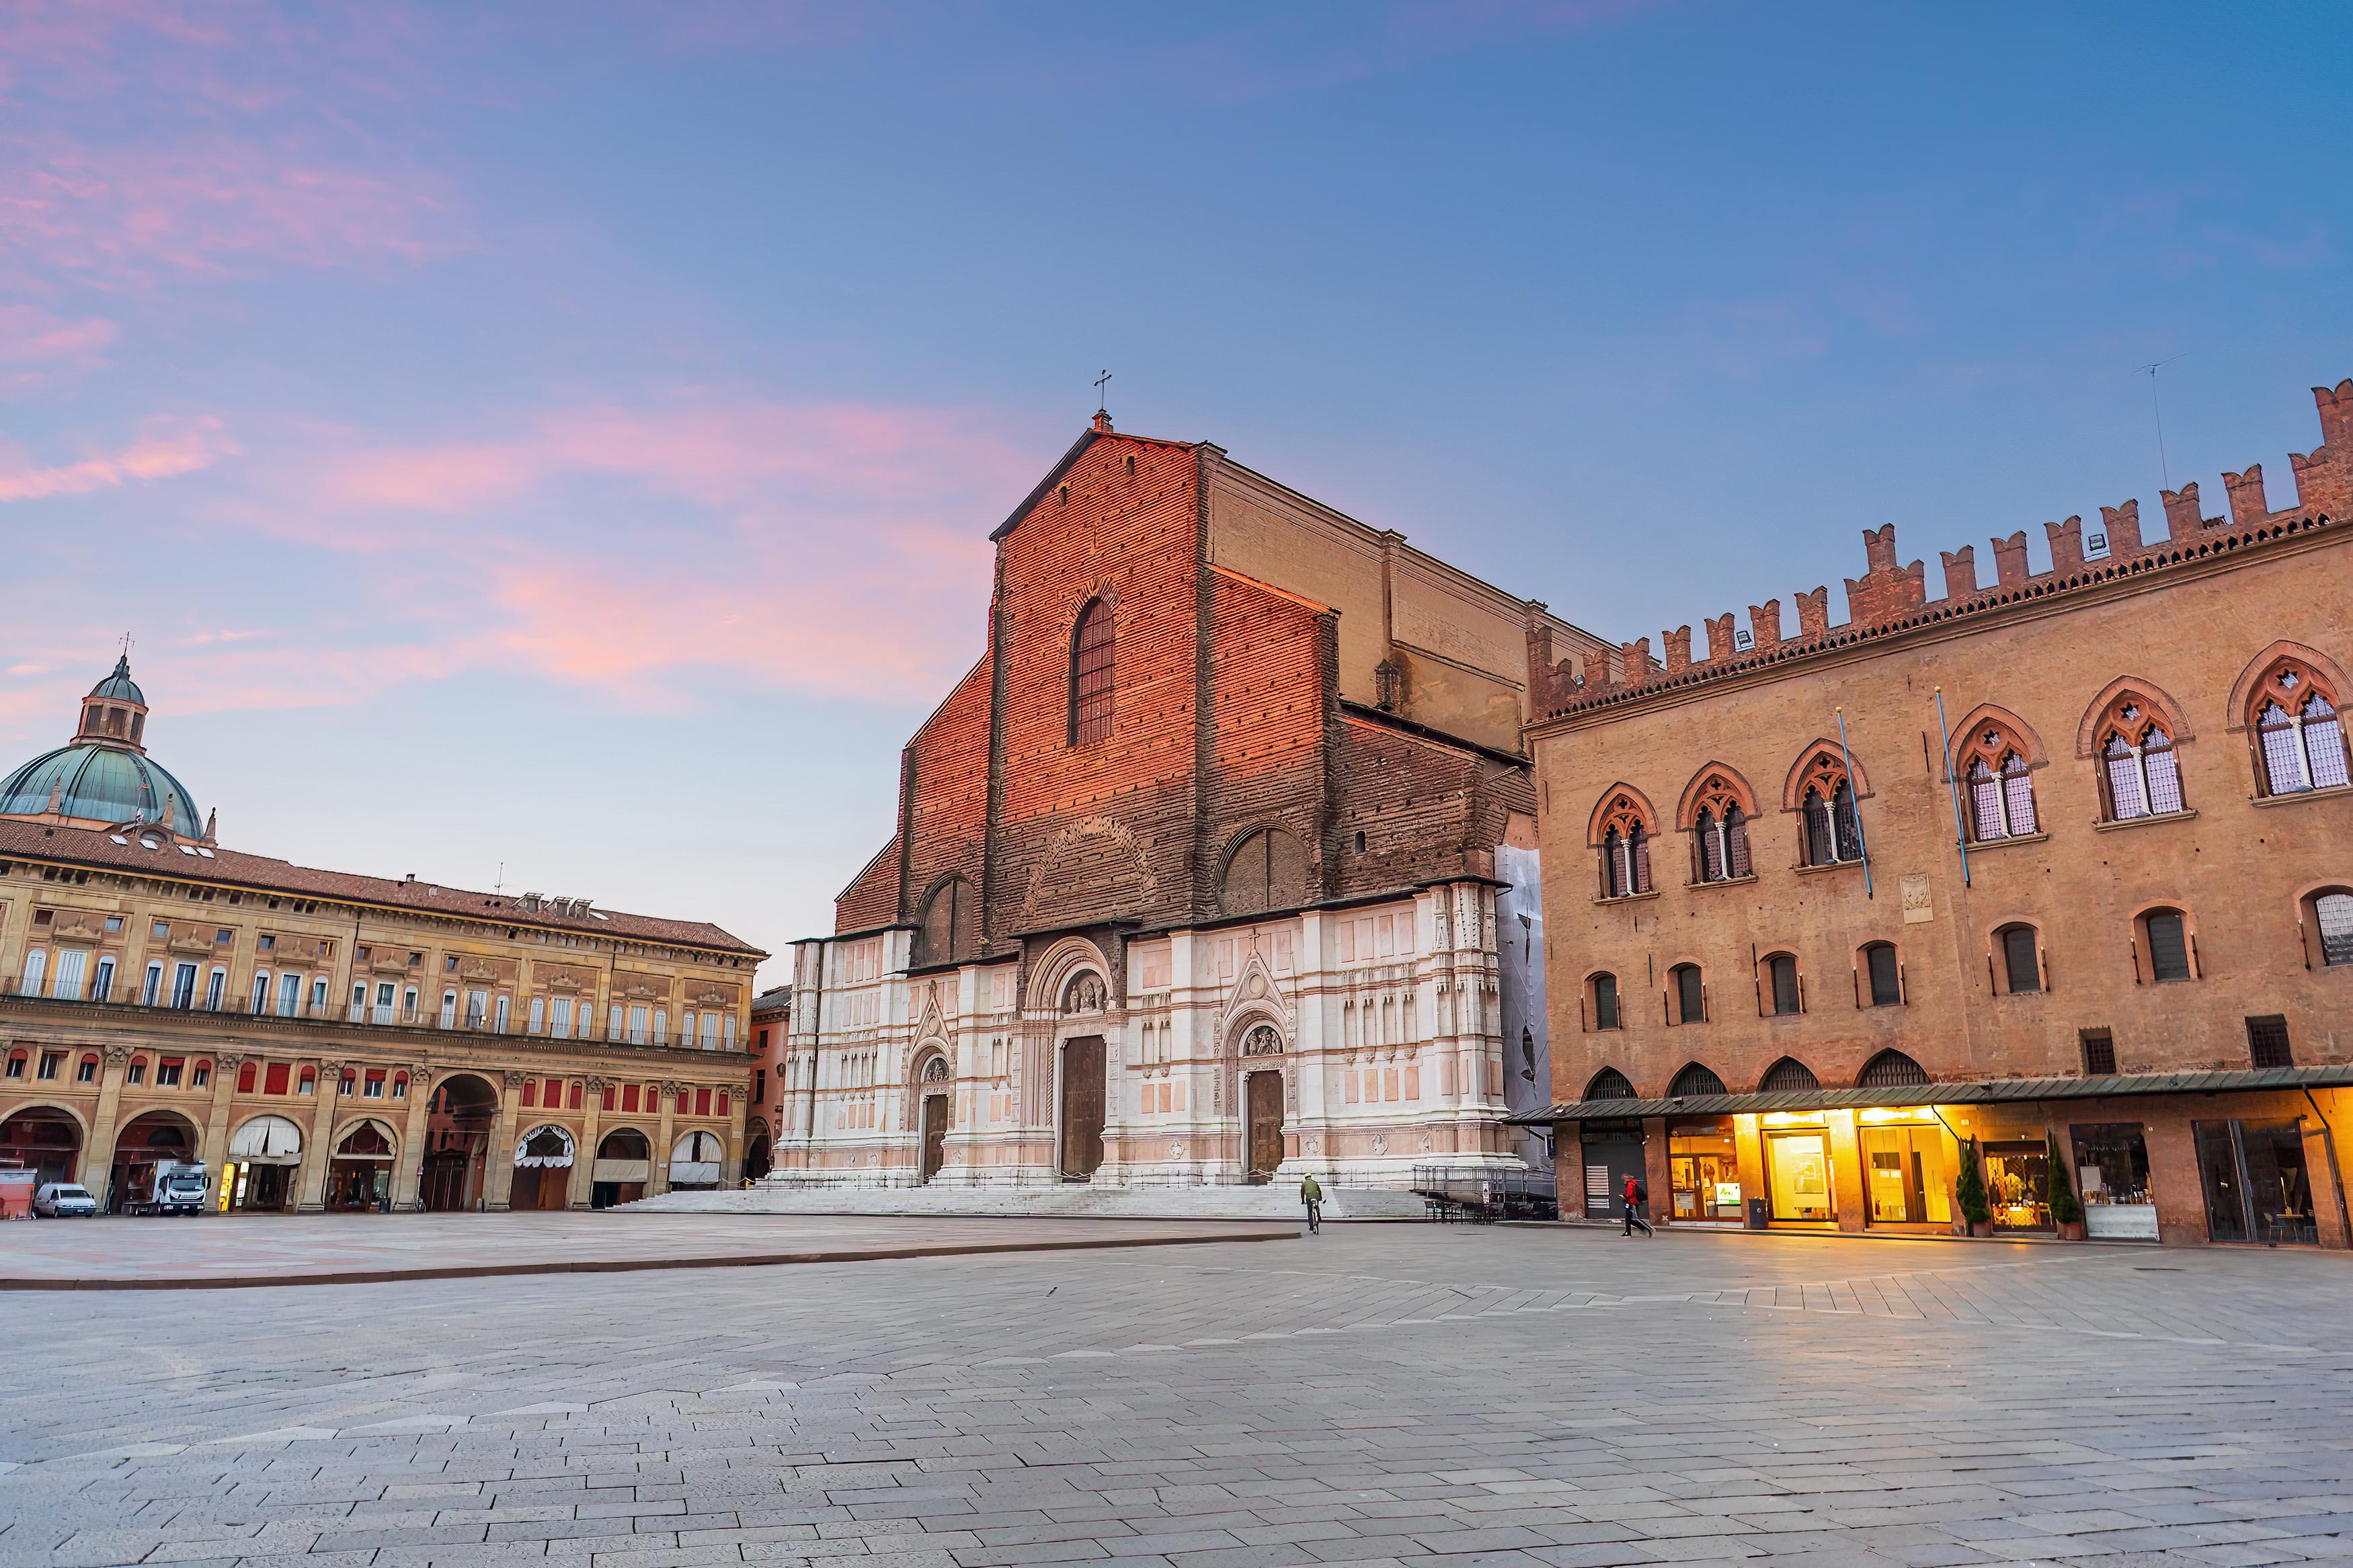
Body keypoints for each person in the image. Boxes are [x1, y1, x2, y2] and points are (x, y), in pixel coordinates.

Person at [1621, 1171, 1652, 1238]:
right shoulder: (1632, 1184)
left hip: (1632, 1203)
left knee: (1635, 1219)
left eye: (1624, 1179)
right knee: (1628, 1219)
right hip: (1631, 1203)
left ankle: (1648, 1229)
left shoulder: (1630, 1184)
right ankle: (1628, 1232)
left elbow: (1630, 1194)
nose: (1624, 1181)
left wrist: (1624, 1196)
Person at [1300, 1171, 1324, 1235]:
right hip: (1316, 1197)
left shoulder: (1304, 1184)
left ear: (1306, 1178)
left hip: (1309, 1198)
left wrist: (1303, 1200)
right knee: (1316, 1205)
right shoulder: (1315, 1183)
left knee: (1310, 1211)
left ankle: (1311, 1226)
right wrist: (1320, 1197)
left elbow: (1302, 1193)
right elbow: (1319, 1190)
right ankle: (1318, 1214)